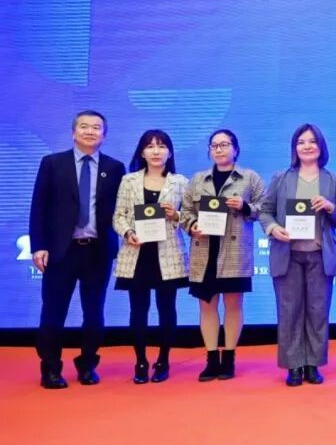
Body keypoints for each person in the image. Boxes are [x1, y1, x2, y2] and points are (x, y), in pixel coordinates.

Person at [30, 110, 125, 388]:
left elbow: (123, 209)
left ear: (104, 135)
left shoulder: (115, 167)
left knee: (94, 313)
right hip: (61, 251)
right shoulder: (52, 163)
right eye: (84, 126)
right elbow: (38, 207)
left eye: (96, 127)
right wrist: (38, 246)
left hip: (98, 251)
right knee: (53, 312)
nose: (90, 131)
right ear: (74, 132)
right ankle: (50, 368)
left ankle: (87, 365)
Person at [260, 124, 336, 386]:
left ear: (321, 147)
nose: (307, 146)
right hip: (287, 255)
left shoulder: (332, 180)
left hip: (320, 255)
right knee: (289, 312)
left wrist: (331, 208)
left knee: (318, 312)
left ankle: (313, 365)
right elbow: (265, 211)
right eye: (301, 142)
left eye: (312, 141)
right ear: (294, 148)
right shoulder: (281, 178)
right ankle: (293, 366)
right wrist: (273, 228)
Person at [181, 129, 266, 381]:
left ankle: (228, 358)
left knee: (233, 304)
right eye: (214, 145)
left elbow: (265, 208)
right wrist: (192, 226)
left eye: (225, 144)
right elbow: (185, 212)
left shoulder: (250, 178)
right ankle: (211, 359)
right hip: (204, 251)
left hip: (234, 252)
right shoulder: (198, 179)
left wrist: (245, 206)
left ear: (235, 149)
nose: (219, 149)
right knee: (207, 306)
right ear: (209, 150)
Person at [112, 130, 189, 383]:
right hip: (137, 253)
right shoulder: (129, 180)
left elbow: (191, 218)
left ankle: (163, 361)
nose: (156, 151)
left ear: (170, 152)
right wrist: (128, 233)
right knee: (138, 310)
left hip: (168, 254)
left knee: (166, 309)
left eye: (162, 146)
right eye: (150, 146)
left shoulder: (181, 182)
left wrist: (175, 215)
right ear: (142, 152)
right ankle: (141, 362)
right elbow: (118, 216)